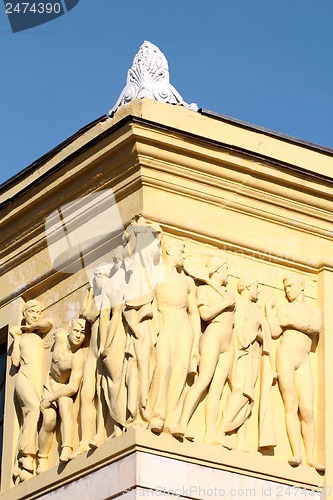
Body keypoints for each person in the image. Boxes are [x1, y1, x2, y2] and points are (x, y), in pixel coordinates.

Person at [265, 273, 324, 470]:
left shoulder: (314, 310)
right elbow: (274, 332)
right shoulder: (284, 309)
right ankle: (296, 452)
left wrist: (291, 322)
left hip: (304, 358)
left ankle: (311, 456)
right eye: (285, 288)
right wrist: (268, 310)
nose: (288, 290)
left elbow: (316, 327)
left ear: (301, 285)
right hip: (286, 354)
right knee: (290, 404)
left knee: (307, 408)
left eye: (290, 286)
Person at [176, 255, 235, 445]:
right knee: (203, 380)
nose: (228, 274)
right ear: (218, 270)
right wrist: (225, 303)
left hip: (228, 341)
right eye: (226, 269)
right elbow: (205, 314)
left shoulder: (223, 291)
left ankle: (211, 433)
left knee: (217, 388)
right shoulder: (204, 290)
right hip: (214, 335)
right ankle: (182, 423)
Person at [148, 238, 201, 435]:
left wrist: (195, 344)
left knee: (180, 368)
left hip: (183, 325)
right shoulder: (156, 273)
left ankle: (173, 419)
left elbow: (194, 312)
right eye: (181, 251)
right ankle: (157, 414)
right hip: (164, 320)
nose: (184, 256)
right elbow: (150, 301)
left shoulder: (187, 281)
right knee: (163, 367)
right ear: (169, 250)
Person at [221, 276, 276, 452]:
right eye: (256, 286)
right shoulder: (240, 305)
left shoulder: (256, 308)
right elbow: (240, 332)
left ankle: (242, 440)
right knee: (240, 393)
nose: (258, 291)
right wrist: (256, 335)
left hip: (254, 354)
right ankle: (222, 428)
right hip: (241, 353)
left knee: (249, 397)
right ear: (246, 287)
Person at [9, 300, 53, 476]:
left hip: (37, 376)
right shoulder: (21, 338)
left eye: (38, 311)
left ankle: (22, 458)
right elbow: (15, 362)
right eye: (32, 312)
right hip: (24, 377)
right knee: (34, 409)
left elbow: (48, 322)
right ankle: (26, 454)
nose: (36, 314)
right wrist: (17, 338)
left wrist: (28, 328)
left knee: (35, 413)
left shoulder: (37, 331)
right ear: (24, 313)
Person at [37, 319, 86, 474]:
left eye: (83, 333)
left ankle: (67, 447)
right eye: (76, 331)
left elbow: (72, 387)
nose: (78, 336)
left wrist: (51, 399)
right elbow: (51, 326)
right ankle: (42, 458)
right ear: (70, 330)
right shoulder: (60, 337)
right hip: (49, 383)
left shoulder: (77, 358)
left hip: (63, 387)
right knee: (49, 419)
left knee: (65, 405)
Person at [73, 264, 110, 455]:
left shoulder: (109, 297)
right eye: (95, 275)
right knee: (87, 393)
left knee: (101, 391)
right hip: (92, 353)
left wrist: (89, 294)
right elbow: (86, 314)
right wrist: (88, 293)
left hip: (104, 349)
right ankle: (84, 439)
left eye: (101, 275)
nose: (97, 278)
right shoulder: (97, 299)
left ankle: (100, 433)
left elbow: (90, 313)